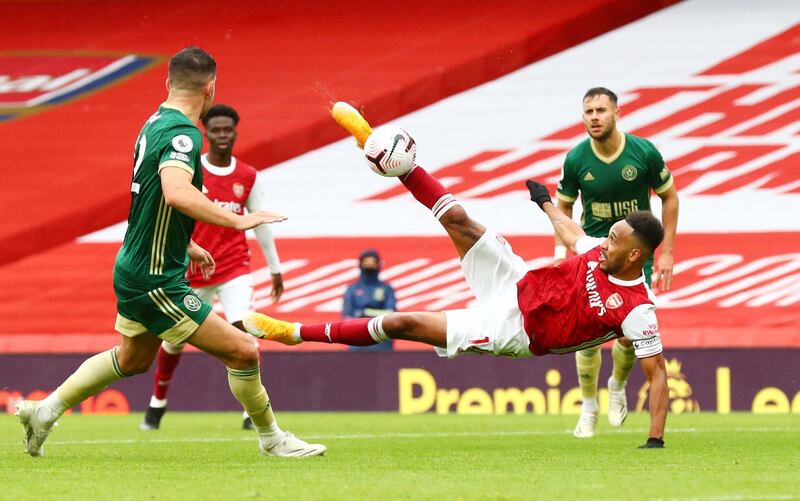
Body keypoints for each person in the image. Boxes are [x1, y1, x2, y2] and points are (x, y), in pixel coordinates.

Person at [244, 124, 668, 448]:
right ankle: (401, 164)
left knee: (402, 323)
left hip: (514, 331)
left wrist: (654, 440)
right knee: (459, 220)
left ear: (635, 256)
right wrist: (543, 203)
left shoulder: (637, 309)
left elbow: (658, 373)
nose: (606, 240)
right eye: (610, 234)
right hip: (516, 280)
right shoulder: (600, 248)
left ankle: (294, 333)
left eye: (616, 240)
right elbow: (572, 231)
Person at [15, 47, 325, 458]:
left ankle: (44, 411)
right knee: (243, 350)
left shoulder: (153, 123)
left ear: (168, 83)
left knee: (133, 358)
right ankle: (272, 439)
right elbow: (175, 193)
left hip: (137, 262)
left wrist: (188, 243)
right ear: (210, 88)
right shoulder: (184, 134)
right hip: (155, 277)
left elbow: (149, 200)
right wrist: (235, 221)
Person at [140, 104, 286, 431]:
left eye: (227, 130)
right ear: (206, 133)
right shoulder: (190, 170)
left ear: (235, 132)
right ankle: (157, 403)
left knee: (243, 327)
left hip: (235, 267)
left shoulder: (247, 176)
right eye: (216, 130)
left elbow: (260, 223)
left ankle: (252, 411)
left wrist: (274, 268)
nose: (221, 135)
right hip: (192, 271)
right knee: (174, 342)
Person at [556, 87, 679, 438]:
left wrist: (666, 250)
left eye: (601, 110)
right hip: (593, 254)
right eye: (588, 111)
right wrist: (563, 250)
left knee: (628, 337)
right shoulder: (577, 159)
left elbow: (670, 197)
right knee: (587, 336)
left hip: (634, 259)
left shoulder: (643, 152)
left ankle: (616, 385)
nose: (594, 117)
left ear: (617, 113)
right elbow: (563, 206)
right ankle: (589, 407)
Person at [343, 249, 397, 351]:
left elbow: (391, 314)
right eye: (366, 262)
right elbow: (347, 317)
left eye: (372, 262)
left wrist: (365, 312)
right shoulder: (352, 289)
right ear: (360, 264)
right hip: (357, 343)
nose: (369, 265)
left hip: (382, 343)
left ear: (378, 264)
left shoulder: (386, 289)